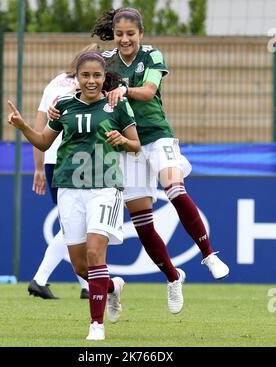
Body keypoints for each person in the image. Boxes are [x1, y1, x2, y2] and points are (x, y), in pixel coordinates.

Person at [90, 8, 229, 311]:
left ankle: (208, 254)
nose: (125, 39)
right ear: (114, 35)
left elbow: (150, 90)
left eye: (131, 33)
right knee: (142, 222)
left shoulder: (152, 56)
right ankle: (173, 277)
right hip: (128, 144)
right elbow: (88, 88)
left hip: (157, 136)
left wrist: (123, 90)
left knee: (175, 188)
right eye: (120, 34)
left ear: (140, 33)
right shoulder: (107, 61)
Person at [8, 51, 141, 340]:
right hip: (69, 189)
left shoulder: (117, 105)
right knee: (82, 266)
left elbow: (136, 145)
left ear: (105, 77)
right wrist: (22, 127)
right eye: (86, 75)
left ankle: (96, 325)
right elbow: (44, 142)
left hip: (105, 188)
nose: (91, 81)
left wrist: (123, 140)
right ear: (77, 79)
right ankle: (112, 286)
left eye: (97, 76)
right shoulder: (63, 105)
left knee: (95, 254)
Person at [29, 45, 102, 300]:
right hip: (76, 161)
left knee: (72, 223)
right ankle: (40, 278)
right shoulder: (91, 89)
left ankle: (86, 285)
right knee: (74, 225)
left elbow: (40, 125)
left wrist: (38, 166)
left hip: (51, 159)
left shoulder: (55, 83)